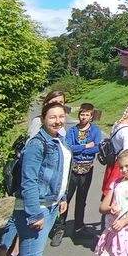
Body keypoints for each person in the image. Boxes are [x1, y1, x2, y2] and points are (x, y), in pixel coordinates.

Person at [0, 102, 70, 256]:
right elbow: (29, 181)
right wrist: (34, 214)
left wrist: (62, 197)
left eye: (61, 117)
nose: (57, 121)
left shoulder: (58, 140)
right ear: (43, 119)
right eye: (52, 117)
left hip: (49, 205)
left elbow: (59, 172)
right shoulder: (37, 144)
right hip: (36, 209)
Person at [0, 92, 66, 256]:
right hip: (33, 195)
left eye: (61, 104)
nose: (57, 117)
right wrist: (34, 211)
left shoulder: (61, 133)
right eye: (53, 103)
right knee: (15, 225)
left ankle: (15, 252)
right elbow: (31, 167)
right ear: (45, 106)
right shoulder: (38, 129)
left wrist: (62, 196)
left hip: (49, 196)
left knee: (24, 254)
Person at [50, 102, 102, 246]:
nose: (84, 117)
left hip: (87, 169)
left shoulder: (95, 130)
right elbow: (68, 148)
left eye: (87, 115)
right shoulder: (72, 131)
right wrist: (86, 146)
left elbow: (97, 147)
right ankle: (59, 227)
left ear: (91, 116)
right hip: (72, 169)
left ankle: (78, 227)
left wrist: (80, 149)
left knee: (82, 199)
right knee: (66, 198)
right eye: (82, 114)